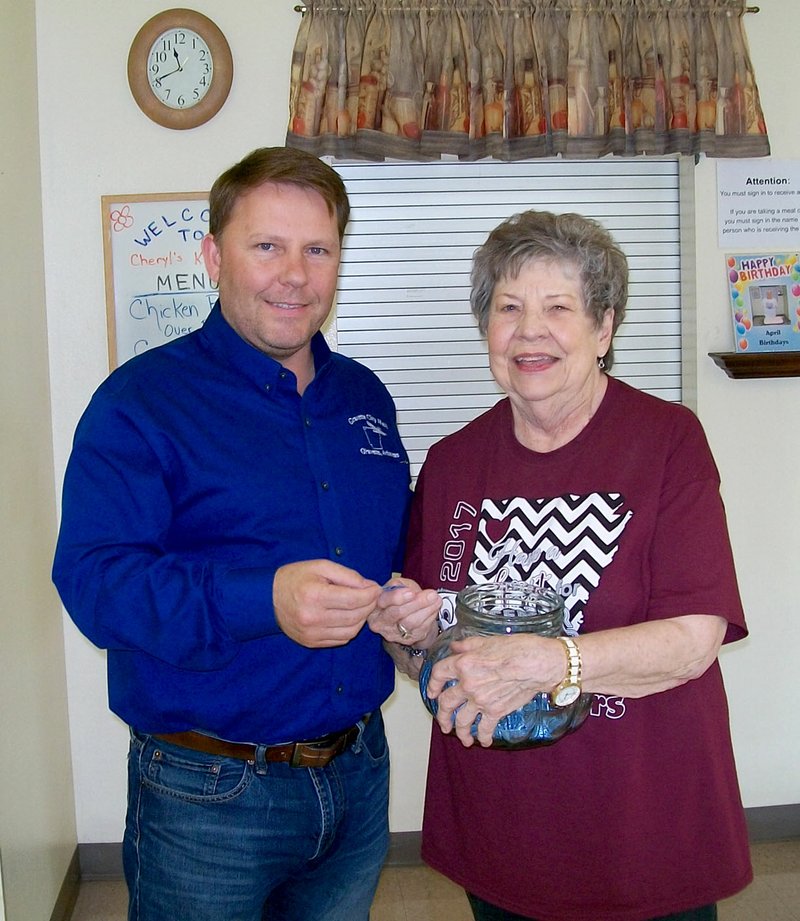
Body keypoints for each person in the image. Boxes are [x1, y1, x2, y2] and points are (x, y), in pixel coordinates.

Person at [52, 146, 440, 921]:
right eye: (267, 246)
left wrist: (403, 607)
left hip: (358, 773)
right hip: (207, 794)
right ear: (212, 256)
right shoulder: (139, 403)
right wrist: (262, 598)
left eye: (317, 249)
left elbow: (388, 553)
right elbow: (94, 581)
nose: (294, 274)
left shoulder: (364, 397)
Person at [399, 210, 752, 921]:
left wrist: (547, 661)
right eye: (508, 308)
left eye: (559, 307)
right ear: (487, 331)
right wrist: (403, 630)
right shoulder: (451, 462)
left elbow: (692, 640)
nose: (531, 330)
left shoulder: (666, 441)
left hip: (643, 826)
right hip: (501, 824)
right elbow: (424, 638)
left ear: (604, 328)